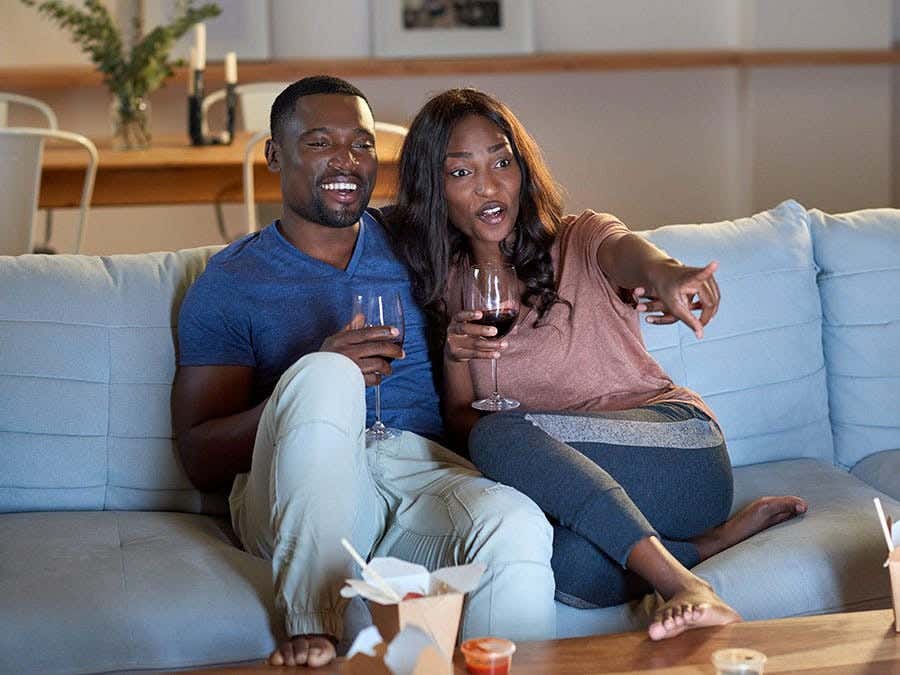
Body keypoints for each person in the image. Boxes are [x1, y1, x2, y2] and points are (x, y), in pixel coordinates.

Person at [390, 87, 809, 641]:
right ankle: (708, 546)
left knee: (502, 433)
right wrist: (452, 355)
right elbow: (466, 427)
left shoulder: (582, 238)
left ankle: (683, 585)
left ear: (523, 169)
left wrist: (669, 276)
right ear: (435, 188)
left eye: (502, 161)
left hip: (679, 458)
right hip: (601, 493)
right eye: (462, 172)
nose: (490, 185)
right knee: (560, 564)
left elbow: (636, 255)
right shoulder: (448, 290)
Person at [171, 77, 556, 668]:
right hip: (302, 490)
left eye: (363, 144)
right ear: (276, 154)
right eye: (321, 142)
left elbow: (517, 219)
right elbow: (199, 456)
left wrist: (641, 271)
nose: (347, 161)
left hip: (416, 471)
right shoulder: (230, 283)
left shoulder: (414, 240)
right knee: (326, 375)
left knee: (517, 521)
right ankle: (312, 627)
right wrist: (313, 377)